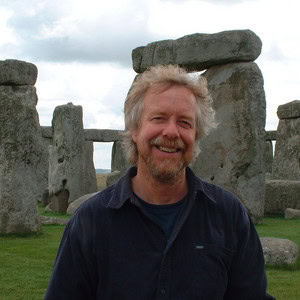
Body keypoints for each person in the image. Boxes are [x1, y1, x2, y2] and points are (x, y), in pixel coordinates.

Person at [45, 64, 274, 299]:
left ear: (196, 136)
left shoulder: (229, 216)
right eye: (158, 118)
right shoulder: (90, 221)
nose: (171, 132)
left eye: (185, 122)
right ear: (134, 130)